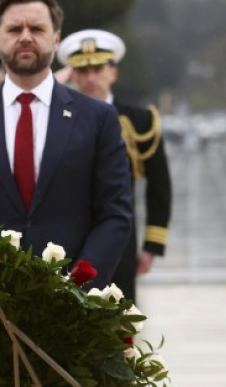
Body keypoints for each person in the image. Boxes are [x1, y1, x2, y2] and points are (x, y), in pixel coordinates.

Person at [0, 0, 133, 289]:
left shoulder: (98, 119)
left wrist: (77, 287)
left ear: (56, 38)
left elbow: (114, 213)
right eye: (14, 29)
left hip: (74, 303)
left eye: (37, 29)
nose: (25, 37)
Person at [56, 29, 172, 302]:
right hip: (66, 235)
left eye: (98, 69)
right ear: (72, 74)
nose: (91, 78)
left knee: (119, 313)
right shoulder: (57, 118)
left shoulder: (139, 121)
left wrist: (152, 245)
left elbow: (159, 185)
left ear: (113, 73)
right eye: (82, 70)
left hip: (120, 236)